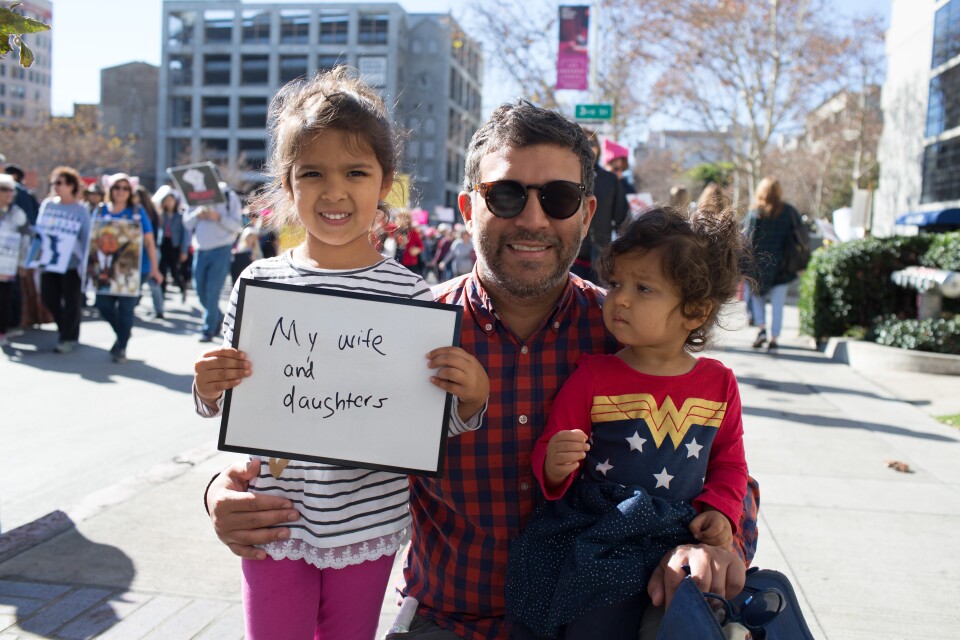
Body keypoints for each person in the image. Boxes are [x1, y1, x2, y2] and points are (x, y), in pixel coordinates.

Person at [203, 100, 758, 640]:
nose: (533, 219)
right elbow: (312, 425)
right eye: (507, 195)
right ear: (469, 209)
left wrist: (718, 542)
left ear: (587, 214)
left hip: (598, 619)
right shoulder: (404, 328)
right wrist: (223, 493)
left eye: (559, 197)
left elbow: (722, 468)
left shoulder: (633, 332)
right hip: (448, 622)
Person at [191, 67, 490, 640]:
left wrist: (471, 399)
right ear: (287, 183)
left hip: (367, 523)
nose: (334, 191)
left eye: (355, 172)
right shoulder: (259, 282)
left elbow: (428, 421)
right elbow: (228, 403)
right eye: (312, 173)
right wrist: (208, 387)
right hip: (272, 516)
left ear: (385, 184)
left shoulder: (411, 296)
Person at [505, 204, 749, 639]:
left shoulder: (719, 384)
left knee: (685, 622)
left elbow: (730, 463)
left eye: (644, 288)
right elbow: (551, 451)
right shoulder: (593, 375)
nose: (620, 299)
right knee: (596, 620)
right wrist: (554, 463)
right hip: (604, 537)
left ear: (695, 312)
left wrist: (722, 512)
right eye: (616, 283)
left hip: (679, 535)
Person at [93, 173, 163, 363]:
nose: (121, 191)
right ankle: (122, 333)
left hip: (134, 269)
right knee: (103, 304)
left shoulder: (137, 211)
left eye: (125, 188)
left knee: (126, 308)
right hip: (106, 268)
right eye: (117, 187)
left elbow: (149, 241)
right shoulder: (100, 210)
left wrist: (155, 269)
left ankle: (121, 346)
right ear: (110, 190)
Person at [36, 167, 91, 354]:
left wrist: (85, 264)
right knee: (48, 297)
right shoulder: (48, 205)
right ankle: (65, 328)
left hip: (72, 264)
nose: (55, 186)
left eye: (60, 183)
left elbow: (86, 237)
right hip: (50, 262)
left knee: (71, 301)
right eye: (53, 183)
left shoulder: (81, 210)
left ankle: (68, 337)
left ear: (71, 186)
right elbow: (40, 232)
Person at [745, 176, 801, 351]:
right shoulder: (789, 212)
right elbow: (800, 235)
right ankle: (775, 337)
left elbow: (747, 240)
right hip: (783, 265)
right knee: (778, 303)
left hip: (758, 264)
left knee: (757, 298)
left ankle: (761, 329)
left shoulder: (755, 213)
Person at [183, 180, 243, 342]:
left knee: (212, 291)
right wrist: (197, 215)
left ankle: (208, 328)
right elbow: (187, 223)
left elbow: (237, 226)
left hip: (221, 249)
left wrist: (218, 217)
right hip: (200, 249)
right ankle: (216, 316)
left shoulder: (229, 196)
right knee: (199, 290)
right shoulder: (196, 195)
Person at [572, 131, 628, 284]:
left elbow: (622, 218)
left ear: (598, 148)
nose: (588, 146)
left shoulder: (610, 180)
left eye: (592, 143)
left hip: (600, 256)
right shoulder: (564, 177)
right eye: (582, 142)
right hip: (571, 255)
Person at [0, 174, 31, 346]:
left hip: (7, 265)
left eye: (11, 190)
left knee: (5, 299)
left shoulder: (18, 214)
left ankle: (3, 331)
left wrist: (22, 263)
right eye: (4, 189)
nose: (8, 193)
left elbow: (26, 240)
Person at [152, 185, 191, 304]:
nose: (169, 203)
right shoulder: (161, 215)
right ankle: (161, 299)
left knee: (175, 272)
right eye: (167, 200)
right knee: (162, 271)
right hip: (163, 245)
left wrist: (184, 251)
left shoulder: (180, 216)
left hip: (175, 246)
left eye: (171, 200)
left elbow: (185, 234)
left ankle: (182, 288)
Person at [134, 185, 166, 319]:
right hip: (139, 250)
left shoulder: (146, 212)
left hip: (149, 250)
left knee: (152, 279)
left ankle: (159, 309)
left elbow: (150, 237)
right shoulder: (137, 210)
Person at [393, 210, 424, 275]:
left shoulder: (412, 232)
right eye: (399, 218)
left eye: (403, 218)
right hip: (395, 260)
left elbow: (421, 246)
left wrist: (415, 250)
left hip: (409, 263)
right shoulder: (394, 230)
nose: (401, 220)